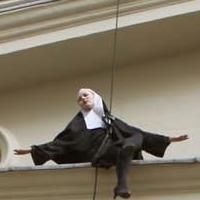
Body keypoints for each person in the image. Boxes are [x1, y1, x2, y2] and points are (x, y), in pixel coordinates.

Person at [14, 88, 189, 199]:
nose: (82, 98)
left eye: (85, 94)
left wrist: (169, 139)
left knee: (135, 136)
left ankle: (122, 184)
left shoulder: (110, 120)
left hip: (115, 150)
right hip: (98, 156)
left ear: (96, 98)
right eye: (79, 98)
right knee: (131, 141)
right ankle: (125, 158)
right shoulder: (76, 126)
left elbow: (139, 132)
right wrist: (31, 150)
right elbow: (60, 144)